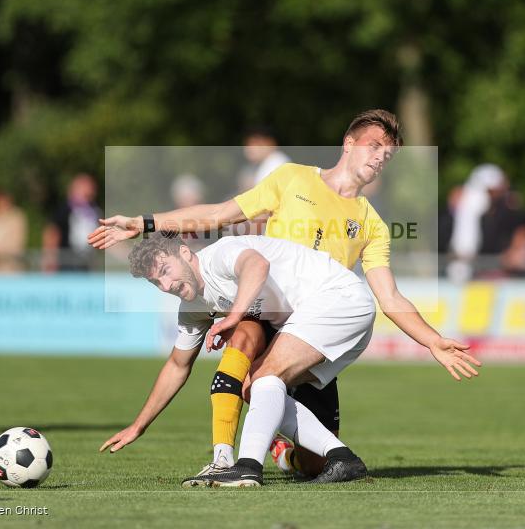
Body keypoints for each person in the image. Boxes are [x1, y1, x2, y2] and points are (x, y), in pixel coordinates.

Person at [90, 109, 482, 479]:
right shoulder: (292, 178)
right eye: (374, 146)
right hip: (263, 305)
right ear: (348, 143)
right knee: (246, 347)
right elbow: (219, 215)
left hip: (314, 323)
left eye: (389, 154)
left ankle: (284, 450)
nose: (381, 157)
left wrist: (433, 341)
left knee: (311, 464)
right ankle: (226, 459)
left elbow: (390, 297)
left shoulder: (372, 224)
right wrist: (144, 223)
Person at [99, 233, 480, 487]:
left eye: (165, 272)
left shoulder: (219, 256)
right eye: (155, 284)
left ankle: (246, 467)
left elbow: (256, 266)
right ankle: (341, 458)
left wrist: (233, 315)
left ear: (185, 253)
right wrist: (139, 425)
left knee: (265, 375)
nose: (165, 286)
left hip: (337, 299)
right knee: (257, 387)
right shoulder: (191, 306)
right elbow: (177, 366)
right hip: (327, 317)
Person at [41, 173, 102, 272]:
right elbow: (52, 233)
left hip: (87, 261)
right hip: (66, 261)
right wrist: (50, 259)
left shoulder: (94, 211)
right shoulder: (65, 209)